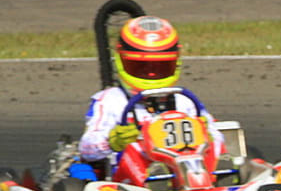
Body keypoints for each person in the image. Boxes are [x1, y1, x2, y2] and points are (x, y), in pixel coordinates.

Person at [77, 15, 224, 173]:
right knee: (86, 171)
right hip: (129, 177)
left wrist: (206, 134)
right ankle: (156, 175)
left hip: (187, 169)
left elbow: (218, 137)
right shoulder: (111, 100)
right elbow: (86, 147)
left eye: (160, 67)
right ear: (122, 61)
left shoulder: (184, 100)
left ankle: (218, 176)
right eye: (141, 67)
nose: (151, 74)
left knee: (216, 154)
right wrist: (113, 141)